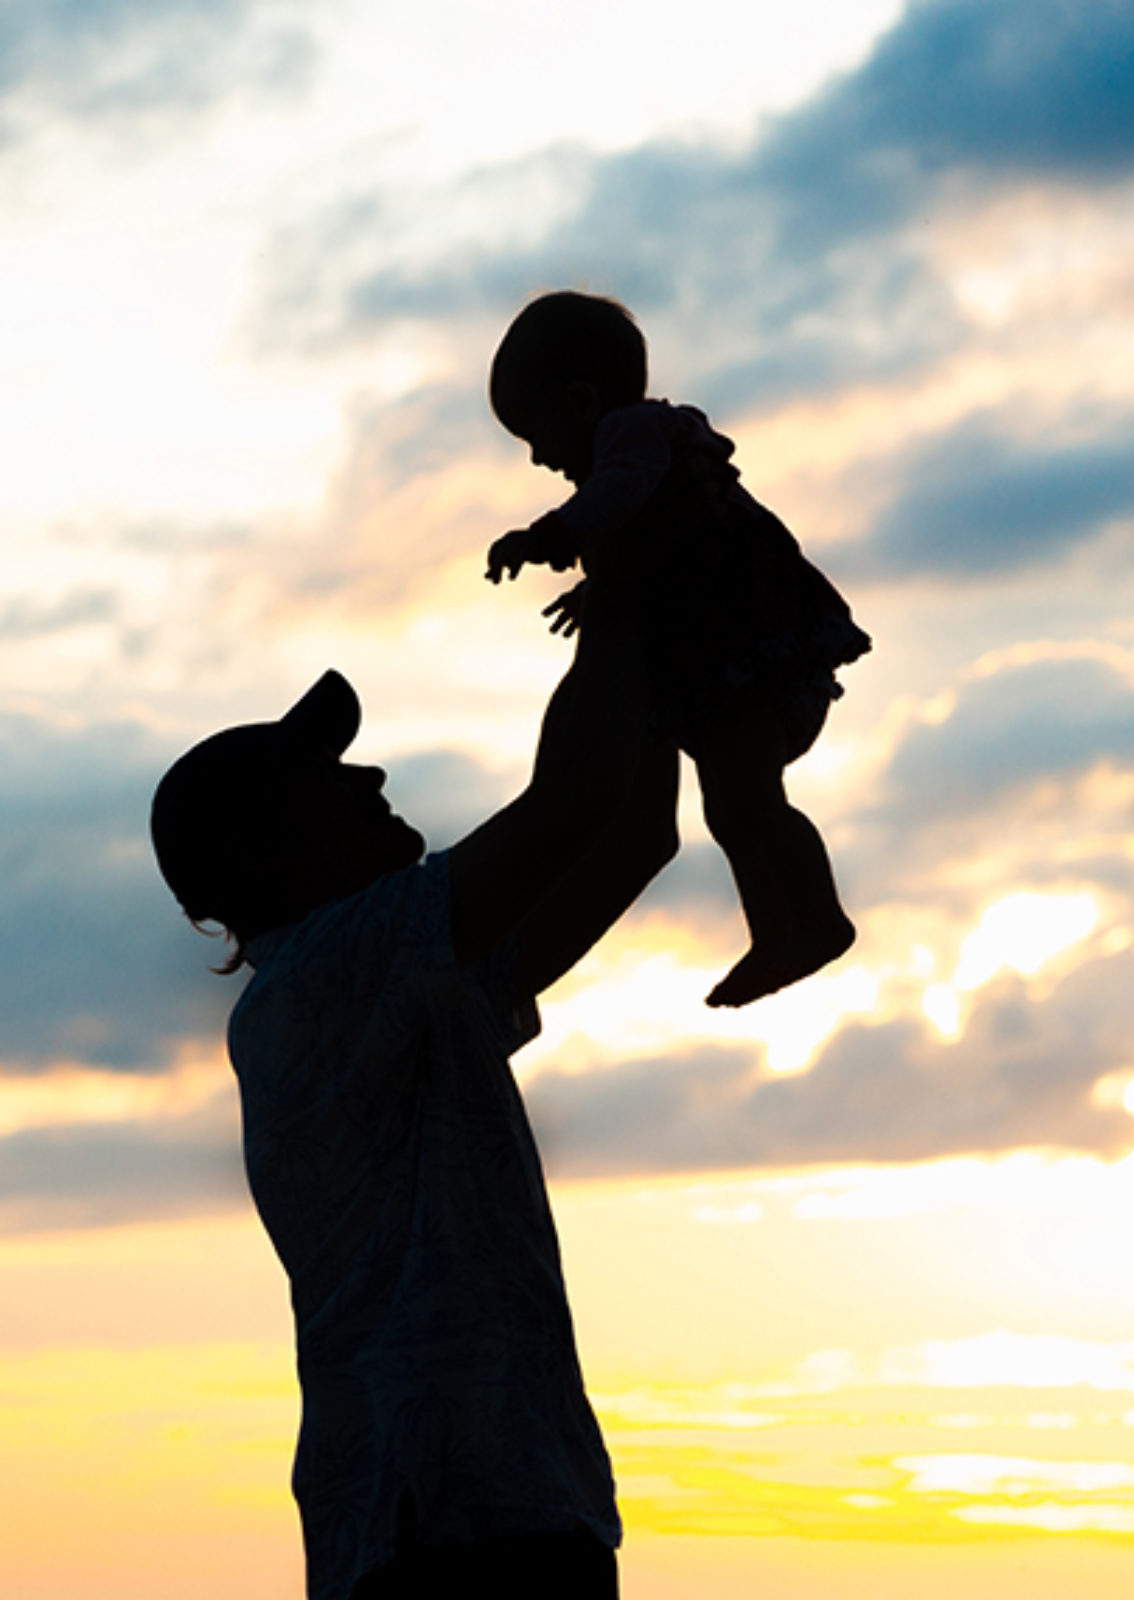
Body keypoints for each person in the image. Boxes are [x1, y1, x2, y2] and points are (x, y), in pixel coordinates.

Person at [149, 553, 678, 1600]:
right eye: (325, 775)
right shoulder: (327, 972)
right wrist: (628, 582)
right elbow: (576, 802)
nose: (370, 776)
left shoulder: (396, 983)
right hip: (443, 1521)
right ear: (262, 852)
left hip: (495, 1503)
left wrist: (652, 657)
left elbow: (632, 837)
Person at [486, 289, 871, 1009]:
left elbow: (620, 501)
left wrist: (549, 537)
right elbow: (640, 545)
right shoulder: (639, 455)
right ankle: (778, 932)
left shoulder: (632, 438)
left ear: (579, 402)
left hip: (741, 653)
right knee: (733, 805)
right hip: (720, 661)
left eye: (535, 437)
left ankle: (814, 919)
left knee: (746, 800)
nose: (539, 460)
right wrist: (593, 591)